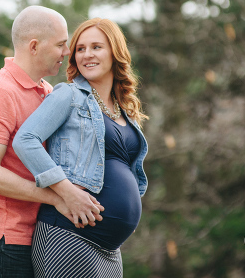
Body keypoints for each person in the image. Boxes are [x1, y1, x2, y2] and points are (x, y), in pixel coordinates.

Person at [0, 6, 105, 278]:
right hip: (4, 239)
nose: (67, 52)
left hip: (41, 235)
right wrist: (59, 196)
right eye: (60, 44)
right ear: (34, 46)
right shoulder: (0, 91)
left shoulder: (47, 90)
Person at [13, 18, 149, 278]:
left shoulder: (123, 110)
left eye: (96, 47)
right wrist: (65, 191)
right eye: (80, 49)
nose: (87, 55)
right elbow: (25, 140)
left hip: (109, 249)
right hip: (68, 237)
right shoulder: (69, 95)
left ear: (114, 52)